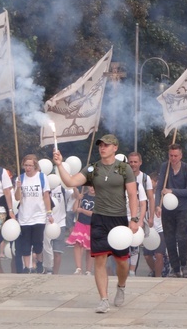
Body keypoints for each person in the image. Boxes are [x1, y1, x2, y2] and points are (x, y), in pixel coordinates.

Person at [54, 134, 138, 314]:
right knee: (99, 259)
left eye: (107, 145)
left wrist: (134, 219)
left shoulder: (124, 169)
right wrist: (60, 164)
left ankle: (121, 286)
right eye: (101, 145)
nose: (102, 148)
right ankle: (103, 300)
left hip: (119, 220)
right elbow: (70, 182)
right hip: (99, 219)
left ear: (115, 148)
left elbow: (132, 195)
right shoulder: (93, 168)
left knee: (122, 262)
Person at [155, 143, 187, 278]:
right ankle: (174, 267)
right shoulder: (165, 167)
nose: (173, 158)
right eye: (171, 155)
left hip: (183, 208)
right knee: (169, 239)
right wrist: (157, 205)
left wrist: (172, 191)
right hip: (167, 208)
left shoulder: (186, 168)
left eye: (176, 156)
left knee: (181, 237)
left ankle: (184, 265)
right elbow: (159, 187)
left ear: (181, 155)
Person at [15, 154, 53, 273]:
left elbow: (46, 196)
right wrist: (18, 188)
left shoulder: (41, 177)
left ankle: (39, 261)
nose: (28, 168)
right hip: (24, 215)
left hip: (39, 215)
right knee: (25, 243)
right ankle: (27, 267)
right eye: (26, 165)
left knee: (37, 243)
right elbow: (17, 198)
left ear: (35, 166)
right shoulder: (20, 178)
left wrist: (49, 213)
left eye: (30, 165)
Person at [66, 185, 95, 275]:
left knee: (90, 248)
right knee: (77, 244)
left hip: (92, 225)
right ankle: (78, 268)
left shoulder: (100, 198)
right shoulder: (83, 195)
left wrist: (82, 211)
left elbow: (95, 213)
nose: (92, 188)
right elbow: (75, 209)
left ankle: (88, 270)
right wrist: (78, 198)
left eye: (94, 186)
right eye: (90, 186)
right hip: (80, 223)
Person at [43, 180, 67, 274]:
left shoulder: (63, 189)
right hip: (46, 222)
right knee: (45, 249)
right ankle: (46, 269)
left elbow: (75, 196)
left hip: (60, 223)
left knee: (57, 251)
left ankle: (55, 274)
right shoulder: (44, 188)